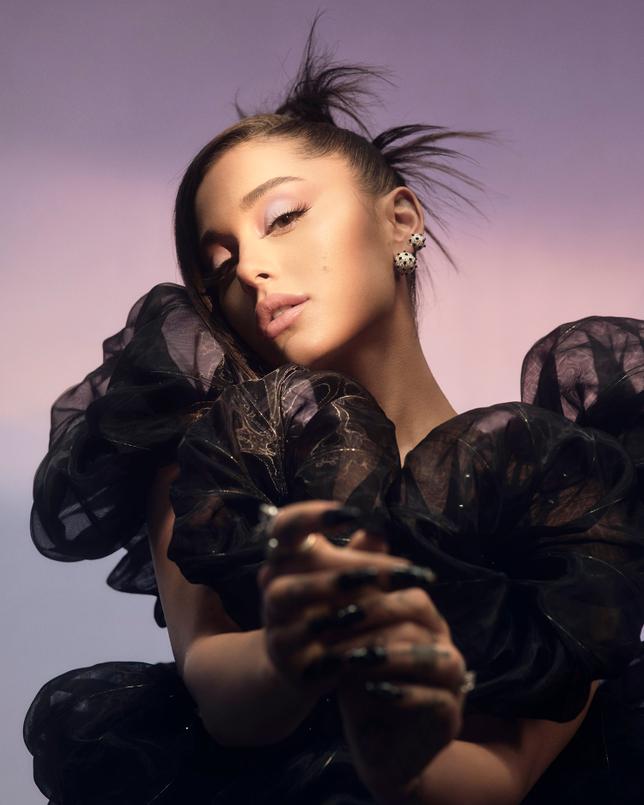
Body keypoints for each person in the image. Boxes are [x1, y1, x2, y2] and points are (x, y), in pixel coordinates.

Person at [23, 15, 644, 805]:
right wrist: (289, 653)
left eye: (282, 217)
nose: (252, 266)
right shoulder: (215, 448)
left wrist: (402, 757)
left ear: (400, 219)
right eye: (220, 266)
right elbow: (211, 680)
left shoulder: (568, 485)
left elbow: (502, 775)